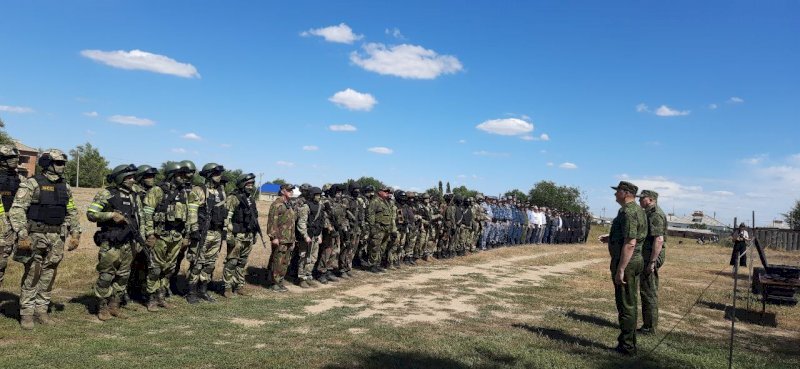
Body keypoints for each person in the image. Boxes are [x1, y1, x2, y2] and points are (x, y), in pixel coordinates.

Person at [10, 149, 82, 329]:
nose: (62, 166)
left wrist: (75, 232)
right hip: (35, 235)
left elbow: (71, 210)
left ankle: (41, 310)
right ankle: (26, 313)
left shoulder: (65, 186)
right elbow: (17, 209)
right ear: (47, 164)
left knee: (49, 274)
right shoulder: (32, 184)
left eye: (63, 163)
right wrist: (22, 234)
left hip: (57, 236)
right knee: (33, 274)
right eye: (58, 163)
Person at [141, 162, 199, 311]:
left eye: (183, 175)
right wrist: (149, 234)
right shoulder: (157, 191)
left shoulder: (186, 192)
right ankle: (151, 298)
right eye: (179, 175)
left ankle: (161, 296)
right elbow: (147, 214)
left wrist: (187, 236)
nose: (183, 177)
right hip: (160, 236)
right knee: (155, 269)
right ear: (171, 175)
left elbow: (190, 216)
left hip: (177, 237)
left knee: (169, 268)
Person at [87, 164, 142, 321]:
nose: (132, 180)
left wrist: (140, 239)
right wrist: (110, 215)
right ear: (120, 178)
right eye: (128, 177)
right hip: (111, 243)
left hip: (128, 242)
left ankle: (114, 305)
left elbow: (140, 218)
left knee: (123, 276)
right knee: (106, 276)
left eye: (133, 177)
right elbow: (91, 213)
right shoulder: (107, 194)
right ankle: (102, 306)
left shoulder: (134, 195)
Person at [599, 181, 646, 355]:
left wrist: (621, 269)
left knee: (626, 303)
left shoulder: (629, 211)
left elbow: (631, 243)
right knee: (629, 301)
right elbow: (629, 236)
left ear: (625, 193)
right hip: (632, 260)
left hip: (628, 261)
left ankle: (627, 346)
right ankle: (627, 342)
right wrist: (611, 238)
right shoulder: (636, 211)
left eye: (617, 191)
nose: (614, 194)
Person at [185, 163, 228, 303]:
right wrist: (194, 230)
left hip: (216, 233)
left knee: (210, 264)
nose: (219, 176)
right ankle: (191, 292)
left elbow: (225, 213)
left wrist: (225, 230)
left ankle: (203, 291)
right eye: (216, 173)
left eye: (219, 173)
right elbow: (191, 212)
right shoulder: (198, 190)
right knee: (197, 263)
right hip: (202, 232)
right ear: (209, 175)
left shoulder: (221, 191)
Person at [223, 173, 260, 296]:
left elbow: (254, 219)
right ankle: (227, 287)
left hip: (248, 236)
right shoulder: (233, 198)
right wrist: (228, 236)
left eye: (252, 184)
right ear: (242, 184)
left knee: (242, 263)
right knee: (232, 262)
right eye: (248, 184)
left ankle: (239, 286)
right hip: (236, 235)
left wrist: (255, 235)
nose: (250, 187)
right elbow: (227, 218)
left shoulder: (251, 199)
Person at [637, 189, 666, 335]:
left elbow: (659, 239)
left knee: (649, 292)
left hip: (651, 257)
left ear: (650, 199)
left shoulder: (655, 214)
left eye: (642, 198)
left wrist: (652, 262)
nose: (639, 200)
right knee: (646, 291)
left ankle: (650, 328)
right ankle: (647, 325)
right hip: (647, 255)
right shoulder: (648, 212)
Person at [0, 144, 26, 287]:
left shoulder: (21, 180)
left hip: (17, 225)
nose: (15, 160)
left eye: (16, 157)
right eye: (10, 157)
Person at [266, 183, 297, 292]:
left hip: (289, 238)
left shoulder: (289, 204)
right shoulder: (277, 204)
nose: (291, 192)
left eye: (292, 190)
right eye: (289, 190)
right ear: (283, 191)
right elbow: (272, 222)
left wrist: (293, 238)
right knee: (277, 260)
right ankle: (274, 283)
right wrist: (274, 237)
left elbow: (292, 223)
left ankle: (280, 281)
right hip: (280, 238)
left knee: (285, 261)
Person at [295, 186, 324, 288]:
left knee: (313, 257)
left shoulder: (320, 206)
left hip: (316, 236)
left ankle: (308, 275)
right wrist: (305, 235)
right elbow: (301, 223)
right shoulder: (306, 207)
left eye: (320, 195)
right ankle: (301, 278)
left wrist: (319, 235)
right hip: (307, 236)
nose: (319, 197)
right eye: (317, 195)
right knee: (304, 257)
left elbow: (320, 222)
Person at [366, 186, 394, 273]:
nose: (387, 193)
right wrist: (373, 228)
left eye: (388, 192)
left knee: (382, 248)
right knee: (375, 247)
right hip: (378, 228)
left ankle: (377, 264)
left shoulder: (386, 202)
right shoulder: (375, 201)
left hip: (386, 229)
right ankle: (372, 265)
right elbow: (370, 215)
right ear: (380, 192)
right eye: (385, 191)